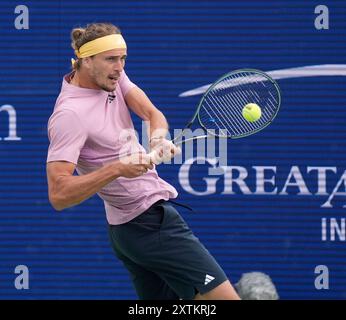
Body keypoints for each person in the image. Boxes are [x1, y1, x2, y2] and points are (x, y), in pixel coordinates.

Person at [46, 22, 240, 300]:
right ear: (86, 60)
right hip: (149, 226)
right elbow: (59, 194)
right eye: (111, 59)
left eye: (123, 58)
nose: (120, 66)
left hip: (129, 232)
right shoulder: (70, 116)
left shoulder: (113, 77)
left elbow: (151, 113)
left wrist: (158, 139)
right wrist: (117, 168)